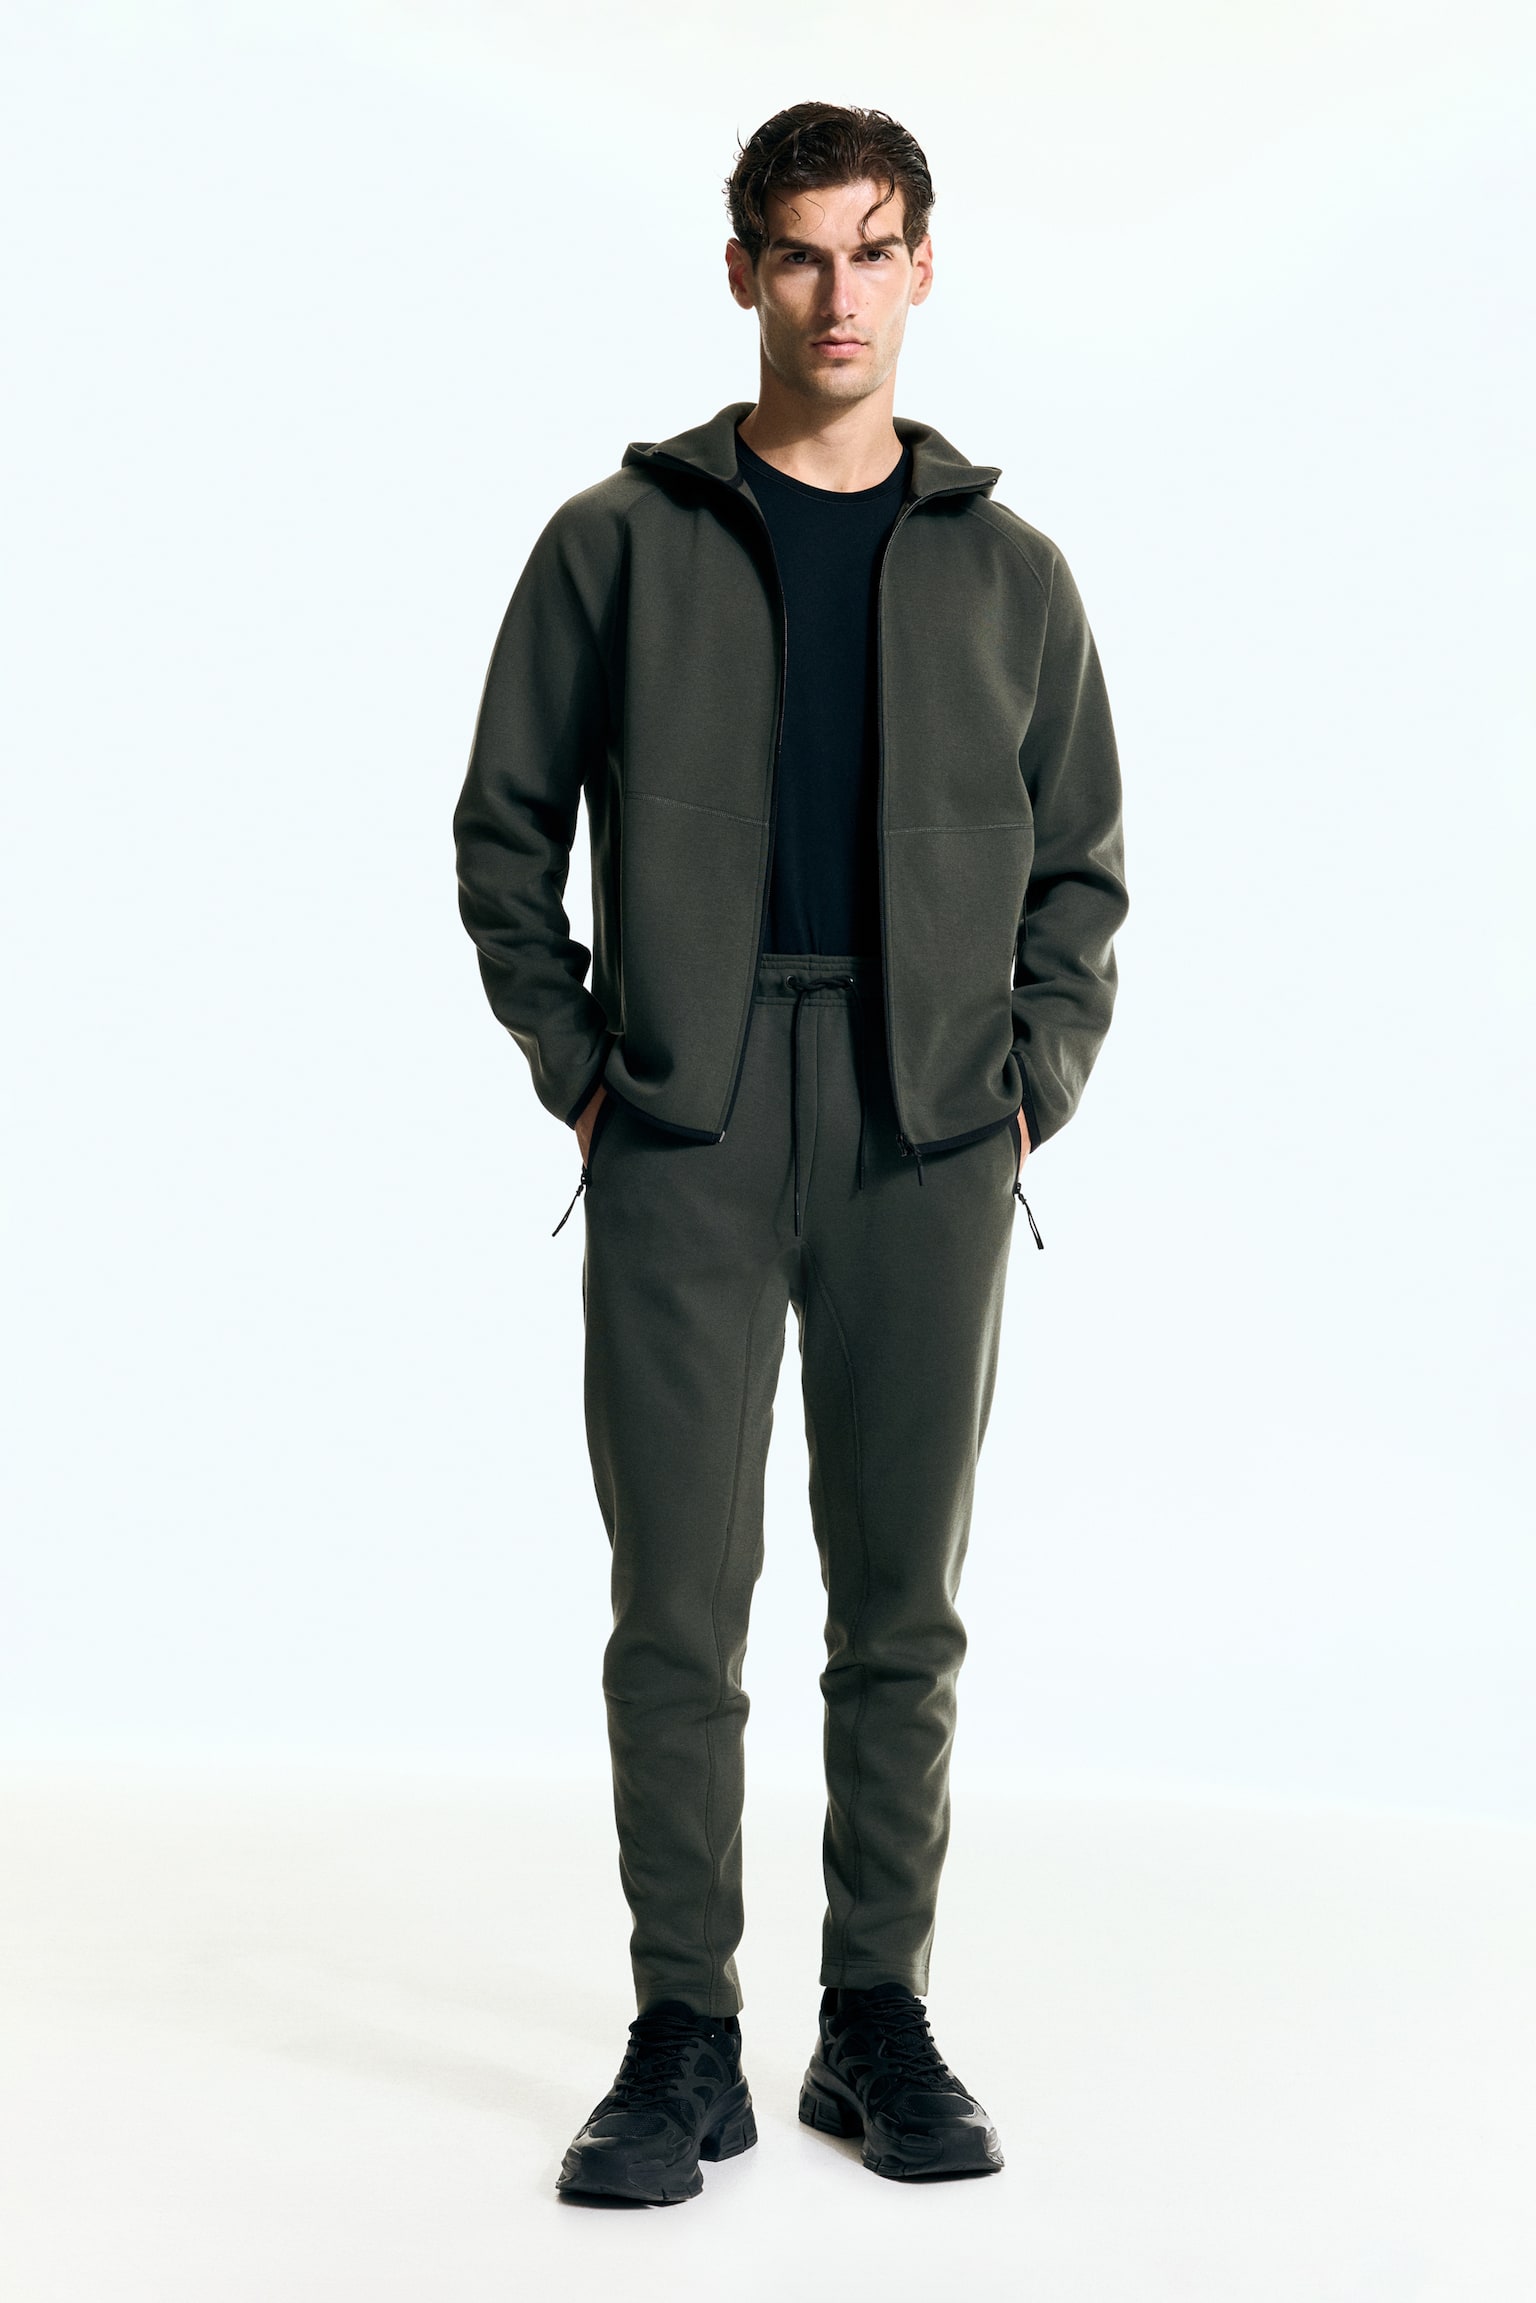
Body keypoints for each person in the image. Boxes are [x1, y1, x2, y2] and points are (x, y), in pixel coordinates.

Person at [452, 101, 1129, 2205]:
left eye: (875, 249)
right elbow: (503, 835)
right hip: (691, 1109)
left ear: (923, 269)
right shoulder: (616, 541)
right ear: (742, 269)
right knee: (679, 1602)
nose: (841, 295)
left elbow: (1084, 869)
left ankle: (872, 2016)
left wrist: (1029, 1078)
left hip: (932, 1125)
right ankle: (683, 2036)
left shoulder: (1011, 572)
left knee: (899, 1602)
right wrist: (589, 1067)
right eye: (802, 253)